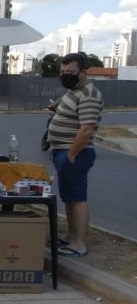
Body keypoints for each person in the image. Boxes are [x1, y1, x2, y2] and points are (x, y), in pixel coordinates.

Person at [47, 52, 103, 258]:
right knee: (69, 197)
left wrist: (71, 155)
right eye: (62, 71)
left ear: (83, 72)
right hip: (62, 150)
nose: (65, 75)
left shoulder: (88, 93)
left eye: (70, 72)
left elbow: (86, 128)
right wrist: (58, 106)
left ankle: (79, 243)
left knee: (77, 198)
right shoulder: (75, 90)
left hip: (75, 153)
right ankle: (71, 236)